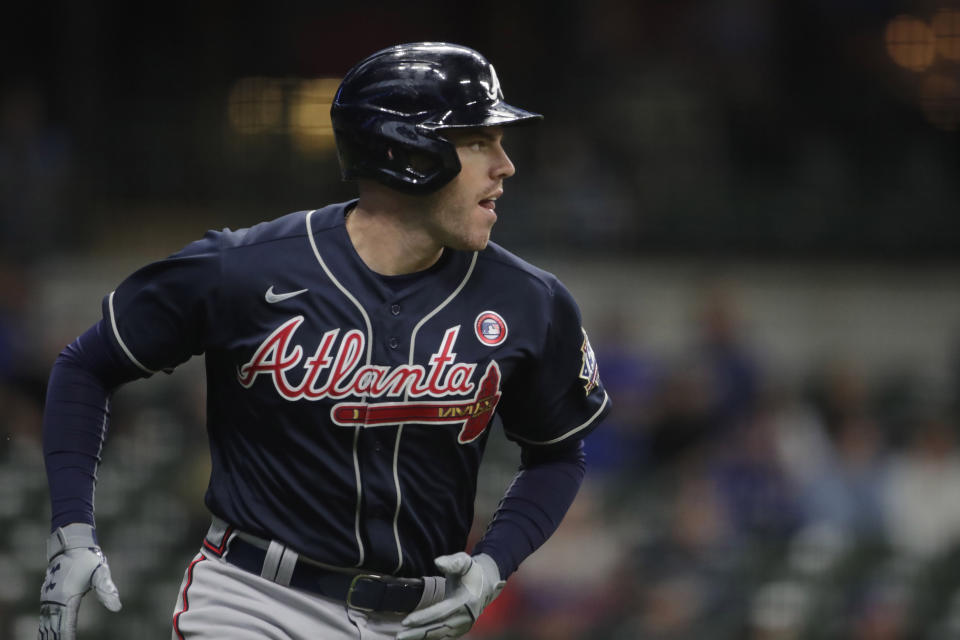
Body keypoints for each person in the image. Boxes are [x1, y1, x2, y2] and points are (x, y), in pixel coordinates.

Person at [38, 42, 611, 640]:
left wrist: (495, 564)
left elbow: (557, 452)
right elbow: (86, 365)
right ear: (403, 152)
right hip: (256, 599)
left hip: (421, 619)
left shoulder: (529, 300)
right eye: (476, 141)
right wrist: (71, 534)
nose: (505, 165)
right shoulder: (245, 269)